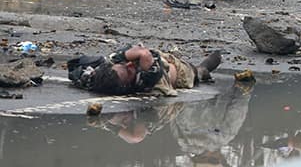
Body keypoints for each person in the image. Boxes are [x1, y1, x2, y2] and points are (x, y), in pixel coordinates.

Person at [68, 45, 222, 97]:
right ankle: (205, 69)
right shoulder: (146, 80)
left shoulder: (95, 77)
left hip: (163, 60)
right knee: (198, 72)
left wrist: (119, 57)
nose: (129, 66)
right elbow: (145, 53)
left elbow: (74, 67)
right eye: (128, 72)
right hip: (180, 73)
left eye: (124, 65)